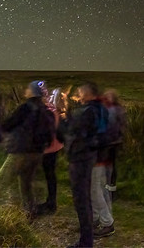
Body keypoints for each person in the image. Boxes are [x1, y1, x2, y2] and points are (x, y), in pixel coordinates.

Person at [0, 80, 52, 216]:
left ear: (32, 91)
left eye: (28, 88)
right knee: (26, 185)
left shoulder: (25, 108)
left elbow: (8, 124)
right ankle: (30, 214)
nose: (25, 90)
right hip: (37, 153)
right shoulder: (45, 109)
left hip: (21, 151)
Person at [58, 82, 102, 248]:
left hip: (81, 159)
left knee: (81, 199)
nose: (77, 92)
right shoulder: (91, 110)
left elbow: (70, 131)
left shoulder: (88, 111)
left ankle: (86, 242)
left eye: (81, 90)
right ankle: (86, 238)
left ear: (90, 93)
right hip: (85, 157)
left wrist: (63, 114)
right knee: (83, 198)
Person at [91, 88, 127, 237]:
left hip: (108, 147)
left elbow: (116, 127)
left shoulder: (114, 110)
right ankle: (99, 218)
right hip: (105, 148)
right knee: (99, 185)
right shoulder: (106, 110)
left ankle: (106, 220)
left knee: (100, 184)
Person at [36, 87, 66, 216]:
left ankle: (50, 203)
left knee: (48, 175)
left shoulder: (50, 111)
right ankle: (51, 201)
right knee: (50, 174)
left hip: (48, 148)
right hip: (55, 146)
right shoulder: (58, 111)